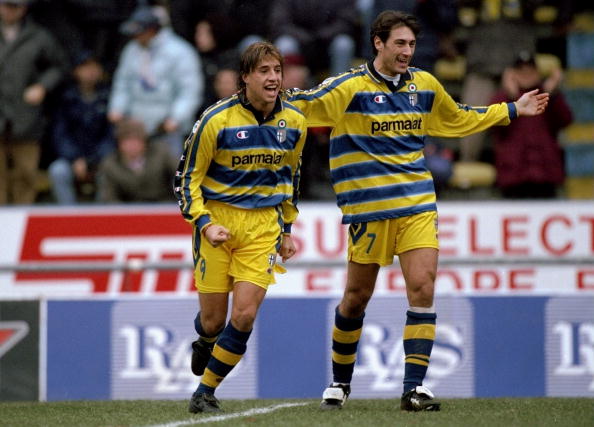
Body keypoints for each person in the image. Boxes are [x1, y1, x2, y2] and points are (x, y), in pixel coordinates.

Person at [286, 9, 549, 411]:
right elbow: (302, 105)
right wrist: (260, 99)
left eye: (411, 44)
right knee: (356, 298)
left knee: (423, 287)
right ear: (378, 43)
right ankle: (340, 382)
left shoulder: (424, 84)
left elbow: (458, 118)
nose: (408, 51)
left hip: (417, 203)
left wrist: (511, 109)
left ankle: (414, 389)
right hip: (369, 210)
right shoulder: (348, 88)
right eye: (400, 43)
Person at [174, 42, 307, 413]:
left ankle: (205, 391)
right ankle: (205, 340)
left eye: (277, 71)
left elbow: (292, 176)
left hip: (263, 226)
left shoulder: (295, 121)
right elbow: (186, 178)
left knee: (245, 315)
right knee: (213, 320)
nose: (273, 78)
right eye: (264, 71)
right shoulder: (216, 119)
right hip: (218, 220)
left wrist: (286, 229)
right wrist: (204, 224)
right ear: (245, 77)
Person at [108, 5, 203, 160]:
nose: (135, 37)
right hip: (136, 125)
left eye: (138, 32)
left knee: (171, 166)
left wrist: (176, 118)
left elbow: (190, 90)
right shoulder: (131, 50)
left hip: (166, 126)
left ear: (151, 30)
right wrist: (117, 108)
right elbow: (122, 83)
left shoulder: (180, 51)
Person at [0, 0, 67, 204]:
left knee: (26, 172)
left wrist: (42, 86)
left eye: (14, 6)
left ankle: (21, 214)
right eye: (4, 5)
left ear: (23, 9)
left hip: (25, 114)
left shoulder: (39, 36)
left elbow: (59, 65)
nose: (8, 10)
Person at [490, 51, 573, 198]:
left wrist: (551, 94)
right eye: (521, 70)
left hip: (545, 175)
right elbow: (493, 124)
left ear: (538, 72)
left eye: (530, 70)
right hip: (513, 177)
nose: (526, 74)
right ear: (512, 74)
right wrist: (511, 97)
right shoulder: (502, 97)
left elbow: (565, 119)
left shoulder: (545, 95)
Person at [48, 51, 115, 204]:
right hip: (72, 159)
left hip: (101, 159)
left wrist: (94, 160)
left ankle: (102, 214)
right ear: (75, 71)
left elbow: (111, 134)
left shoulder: (110, 96)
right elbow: (60, 134)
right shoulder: (66, 97)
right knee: (57, 170)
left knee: (110, 170)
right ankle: (68, 214)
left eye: (95, 66)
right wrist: (75, 158)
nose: (91, 71)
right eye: (85, 67)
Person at [269, 0, 359, 78]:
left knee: (344, 44)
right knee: (285, 45)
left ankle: (338, 88)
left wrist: (323, 35)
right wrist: (304, 37)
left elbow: (347, 21)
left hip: (328, 43)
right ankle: (286, 89)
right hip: (300, 42)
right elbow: (280, 23)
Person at [97, 118, 176, 203]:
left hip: (163, 205)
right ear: (119, 143)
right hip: (128, 208)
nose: (132, 145)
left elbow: (181, 173)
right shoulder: (110, 165)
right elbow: (108, 197)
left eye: (137, 140)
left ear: (145, 141)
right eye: (127, 141)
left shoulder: (161, 153)